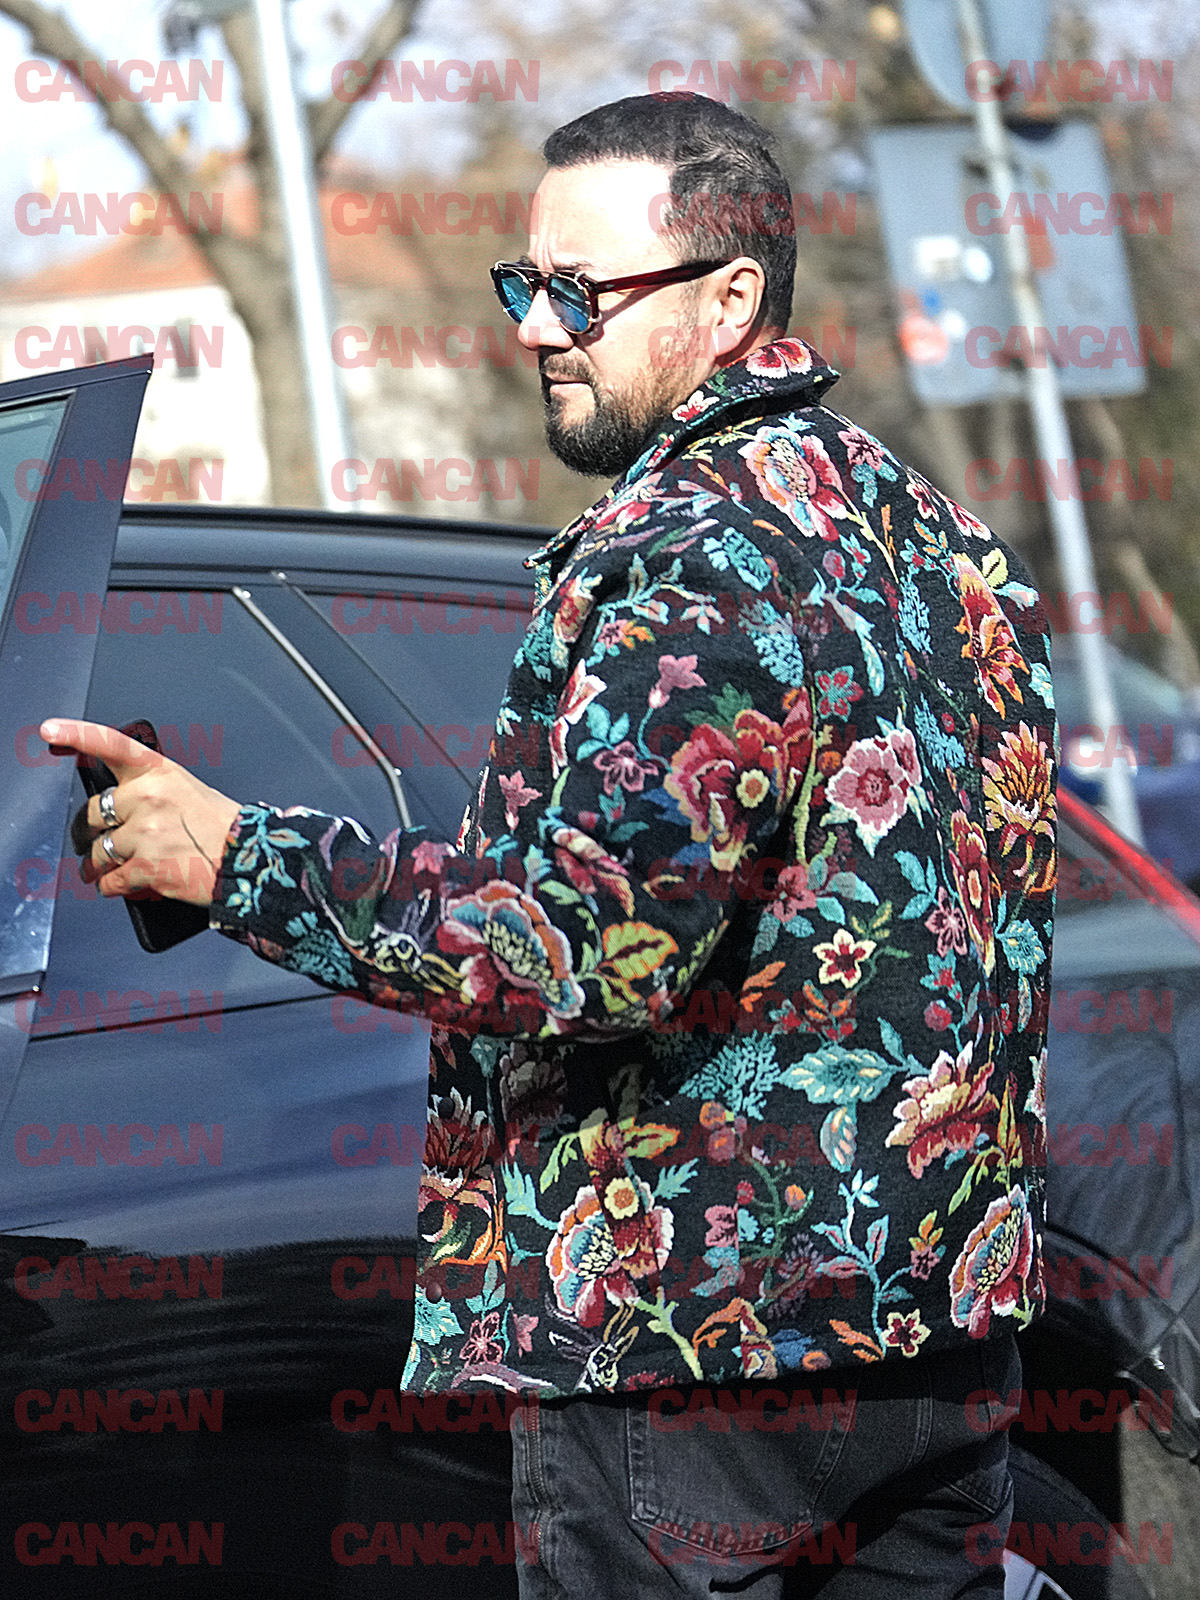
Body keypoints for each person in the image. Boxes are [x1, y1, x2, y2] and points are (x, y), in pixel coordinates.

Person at [44, 93, 1056, 1597]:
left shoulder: (686, 549)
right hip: (937, 1325)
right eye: (525, 284)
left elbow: (587, 942)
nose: (535, 327)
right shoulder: (930, 532)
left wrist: (238, 858)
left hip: (701, 1347)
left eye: (581, 292)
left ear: (731, 299)